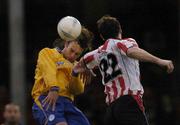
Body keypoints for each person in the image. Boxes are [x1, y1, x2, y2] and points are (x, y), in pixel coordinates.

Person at [74, 15, 174, 125]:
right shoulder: (124, 42)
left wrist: (86, 68)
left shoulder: (97, 54)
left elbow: (80, 64)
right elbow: (131, 51)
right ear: (120, 29)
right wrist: (159, 61)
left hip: (111, 109)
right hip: (129, 102)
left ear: (102, 36)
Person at [31, 27, 93, 125]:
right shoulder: (47, 53)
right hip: (46, 98)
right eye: (71, 51)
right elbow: (48, 70)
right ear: (66, 43)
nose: (73, 56)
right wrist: (53, 88)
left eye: (77, 54)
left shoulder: (77, 66)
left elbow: (77, 90)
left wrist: (75, 74)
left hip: (68, 104)